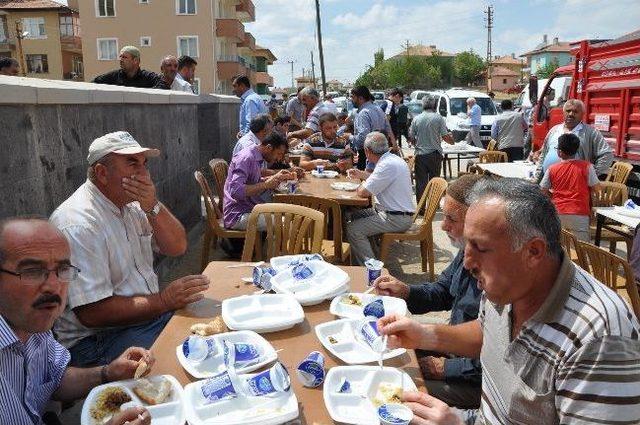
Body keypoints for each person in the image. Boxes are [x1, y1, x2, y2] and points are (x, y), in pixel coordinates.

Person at [379, 178, 640, 424]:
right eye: (466, 245)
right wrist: (424, 335)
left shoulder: (599, 338)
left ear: (533, 252)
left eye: (480, 248)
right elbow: (488, 333)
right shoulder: (506, 288)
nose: (467, 262)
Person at [49, 131, 209, 367]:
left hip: (142, 319)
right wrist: (164, 300)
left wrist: (153, 205)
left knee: (205, 333)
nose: (144, 174)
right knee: (188, 356)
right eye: (132, 163)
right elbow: (92, 313)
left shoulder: (132, 205)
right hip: (96, 341)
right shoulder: (79, 223)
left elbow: (177, 247)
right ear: (102, 173)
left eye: (144, 164)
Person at [0, 217, 153, 425]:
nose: (54, 286)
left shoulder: (34, 324)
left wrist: (108, 372)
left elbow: (55, 378)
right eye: (33, 272)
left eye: (62, 270)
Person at [373, 174, 483, 409]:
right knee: (380, 345)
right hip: (455, 352)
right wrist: (405, 291)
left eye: (452, 219)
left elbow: (499, 362)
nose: (443, 225)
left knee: (396, 394)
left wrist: (444, 368)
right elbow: (443, 291)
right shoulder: (469, 249)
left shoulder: (505, 277)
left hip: (474, 381)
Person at [346, 132, 414, 265]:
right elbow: (380, 178)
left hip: (396, 218)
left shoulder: (386, 165)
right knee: (354, 216)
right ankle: (371, 255)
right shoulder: (391, 159)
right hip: (394, 213)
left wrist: (361, 183)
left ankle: (372, 269)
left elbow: (363, 192)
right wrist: (361, 174)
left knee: (353, 230)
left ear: (367, 151)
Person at [223, 133, 296, 230]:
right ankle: (271, 245)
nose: (279, 159)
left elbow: (251, 182)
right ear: (269, 147)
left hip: (249, 208)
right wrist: (266, 185)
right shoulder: (246, 158)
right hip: (238, 215)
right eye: (279, 154)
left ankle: (270, 244)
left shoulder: (255, 157)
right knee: (288, 224)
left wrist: (273, 178)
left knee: (288, 213)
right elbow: (236, 191)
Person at [540, 133, 600, 241]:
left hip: (558, 212)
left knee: (558, 247)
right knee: (581, 249)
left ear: (559, 152)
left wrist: (552, 196)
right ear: (576, 150)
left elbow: (543, 190)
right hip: (580, 213)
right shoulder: (587, 166)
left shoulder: (552, 169)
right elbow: (597, 189)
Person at [534, 99, 613, 181]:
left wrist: (592, 175)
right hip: (549, 183)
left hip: (574, 186)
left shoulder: (591, 133)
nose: (571, 114)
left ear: (582, 114)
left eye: (575, 112)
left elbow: (607, 154)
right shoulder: (554, 130)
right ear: (563, 112)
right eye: (568, 111)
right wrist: (538, 177)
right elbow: (544, 154)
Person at [409, 95, 454, 204]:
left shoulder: (416, 118)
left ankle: (421, 207)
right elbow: (445, 136)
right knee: (435, 181)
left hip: (420, 155)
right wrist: (452, 141)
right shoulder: (438, 118)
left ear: (423, 105)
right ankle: (433, 205)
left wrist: (417, 144)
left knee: (421, 183)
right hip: (434, 155)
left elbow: (411, 137)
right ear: (434, 105)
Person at [349, 86, 396, 170]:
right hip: (380, 155)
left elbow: (363, 138)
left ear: (360, 98)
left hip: (367, 156)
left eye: (353, 97)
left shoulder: (363, 113)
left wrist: (349, 137)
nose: (351, 99)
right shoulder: (378, 109)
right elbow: (388, 128)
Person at [92, 46, 160, 88]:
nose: (121, 60)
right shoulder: (114, 76)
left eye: (124, 57)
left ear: (135, 60)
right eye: (120, 57)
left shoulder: (148, 77)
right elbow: (93, 84)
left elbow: (162, 84)